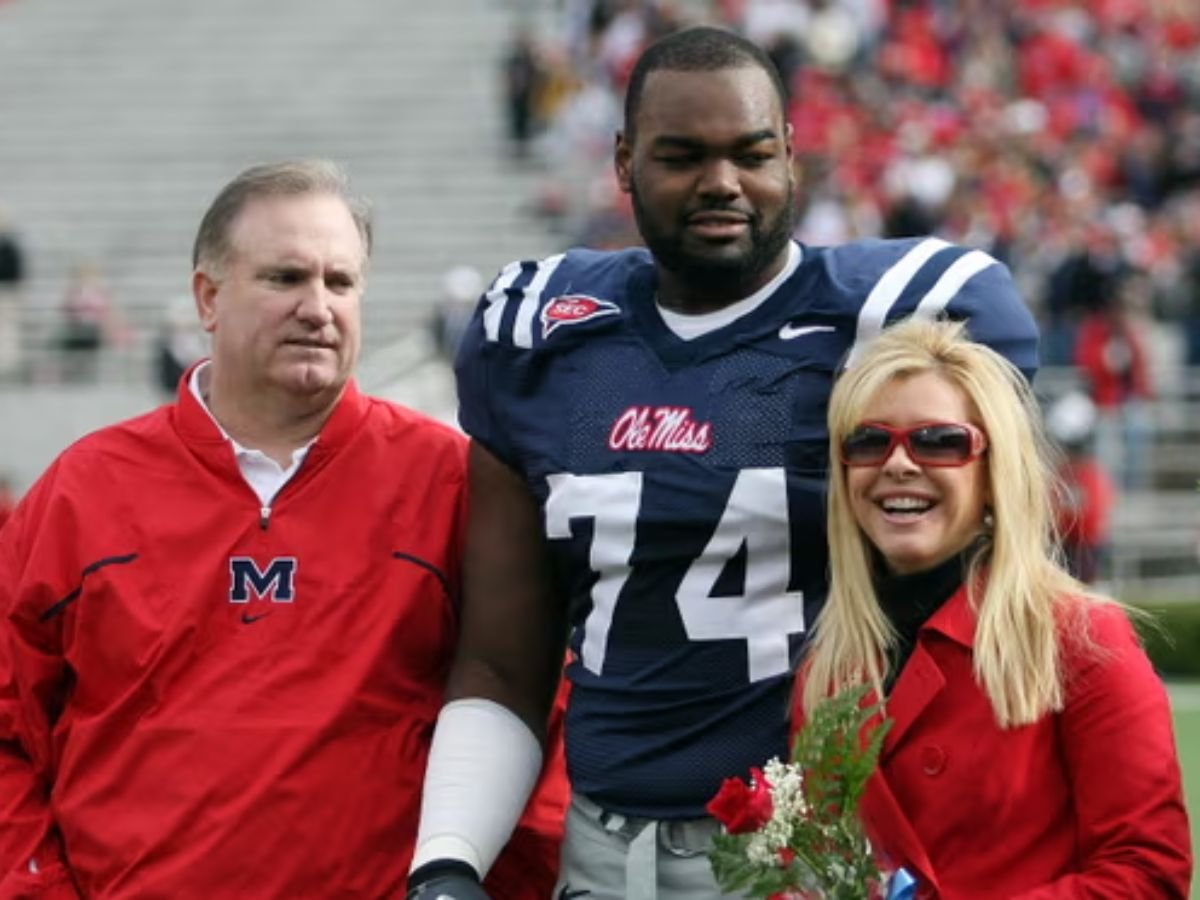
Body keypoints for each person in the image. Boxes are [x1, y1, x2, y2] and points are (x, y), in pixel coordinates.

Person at [407, 26, 1039, 900]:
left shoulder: (887, 317)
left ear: (792, 155)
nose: (722, 184)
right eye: (682, 156)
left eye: (751, 153)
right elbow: (503, 658)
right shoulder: (541, 333)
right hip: (603, 845)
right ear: (623, 163)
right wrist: (446, 860)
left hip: (808, 844)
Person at [0, 160, 565, 898]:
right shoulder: (82, 490)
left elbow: (537, 709)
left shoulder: (455, 482)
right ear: (208, 297)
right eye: (286, 278)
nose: (317, 306)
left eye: (341, 282)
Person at [796, 318, 1191, 896]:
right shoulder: (826, 668)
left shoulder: (1081, 638)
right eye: (869, 441)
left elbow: (1148, 874)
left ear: (992, 472)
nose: (899, 463)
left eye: (939, 441)